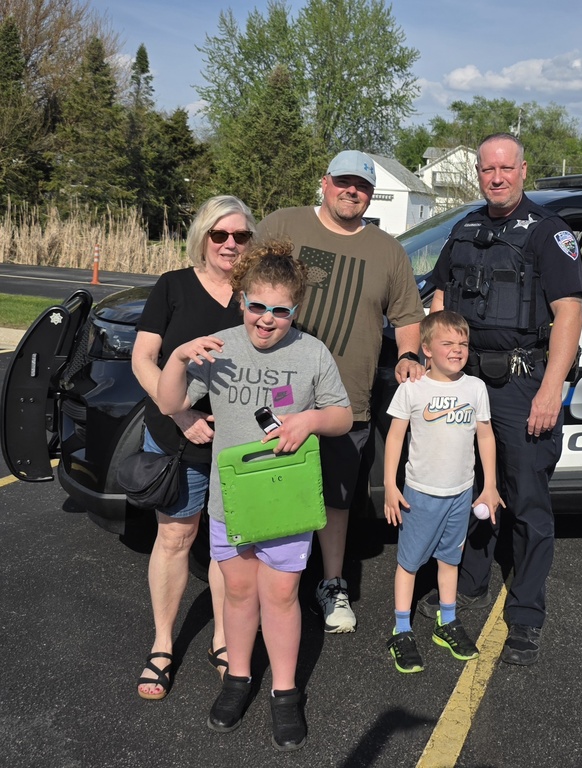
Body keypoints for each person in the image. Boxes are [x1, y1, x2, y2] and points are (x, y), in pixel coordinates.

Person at [157, 241, 353, 751]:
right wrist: (179, 356)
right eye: (258, 306)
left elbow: (342, 415)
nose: (267, 320)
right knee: (240, 593)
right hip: (232, 502)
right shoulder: (218, 347)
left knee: (282, 596)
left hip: (286, 501)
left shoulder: (311, 352)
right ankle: (237, 680)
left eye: (280, 310)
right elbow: (170, 400)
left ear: (296, 309)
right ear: (242, 299)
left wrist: (309, 419)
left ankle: (285, 694)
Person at [424, 133, 582, 666]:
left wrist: (550, 389)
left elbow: (568, 314)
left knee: (528, 501)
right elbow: (441, 296)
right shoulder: (465, 228)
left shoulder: (548, 233)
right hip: (466, 383)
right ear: (478, 173)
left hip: (520, 385)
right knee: (466, 485)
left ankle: (526, 615)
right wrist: (435, 361)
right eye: (487, 169)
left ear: (523, 170)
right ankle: (469, 583)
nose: (496, 177)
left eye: (506, 168)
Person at [256, 150, 425, 634]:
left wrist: (410, 355)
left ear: (371, 195)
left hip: (345, 401)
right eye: (344, 182)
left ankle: (332, 584)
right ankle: (271, 581)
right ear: (325, 183)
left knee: (336, 499)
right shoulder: (283, 226)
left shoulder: (387, 250)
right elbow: (243, 289)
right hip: (276, 391)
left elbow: (408, 316)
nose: (352, 191)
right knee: (273, 488)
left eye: (363, 186)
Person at [131, 195, 255, 700]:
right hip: (177, 438)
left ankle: (224, 640)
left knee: (230, 546)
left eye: (241, 236)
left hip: (239, 443)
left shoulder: (256, 293)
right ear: (202, 236)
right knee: (176, 539)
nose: (229, 244)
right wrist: (179, 413)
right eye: (219, 234)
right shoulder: (174, 286)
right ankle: (163, 645)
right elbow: (144, 359)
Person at [382, 310, 502, 673]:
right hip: (419, 494)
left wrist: (490, 485)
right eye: (447, 343)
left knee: (450, 559)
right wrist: (389, 485)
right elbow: (394, 437)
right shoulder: (413, 389)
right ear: (426, 350)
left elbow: (485, 435)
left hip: (461, 493)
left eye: (463, 344)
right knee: (409, 563)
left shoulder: (475, 388)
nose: (457, 350)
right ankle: (401, 629)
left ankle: (446, 622)